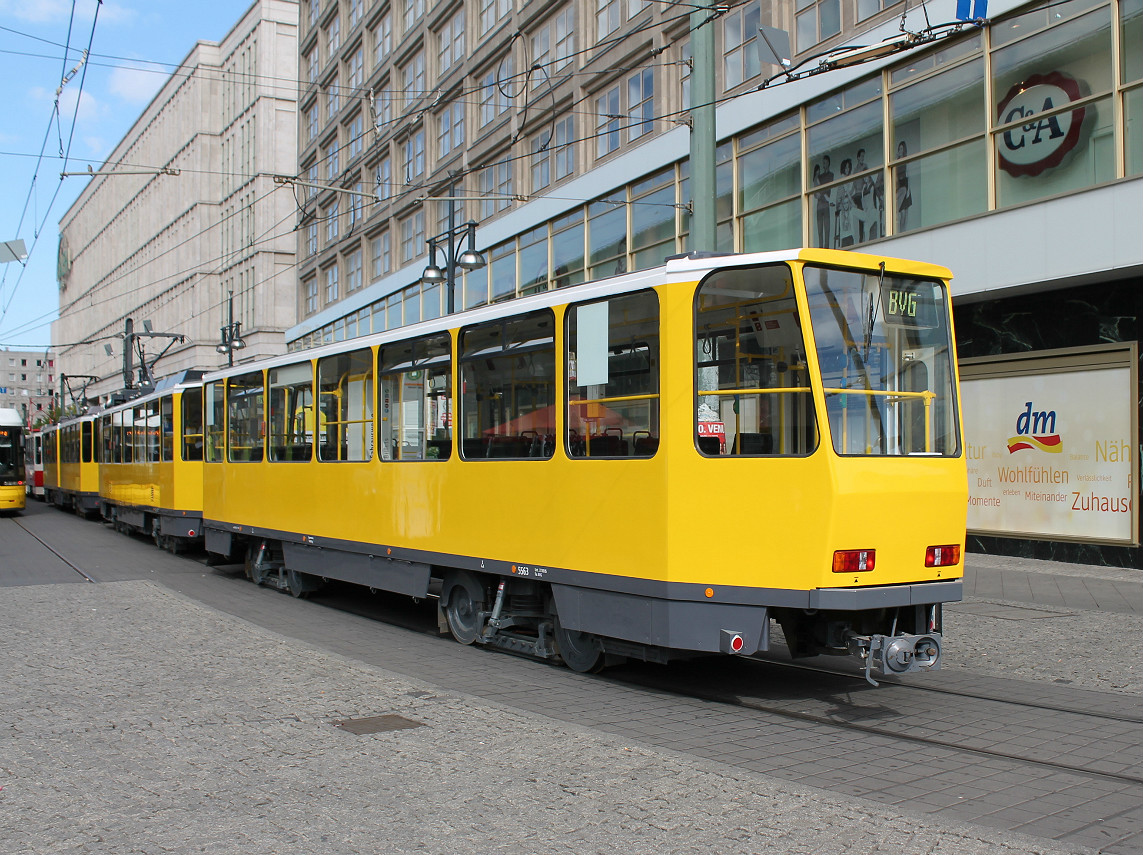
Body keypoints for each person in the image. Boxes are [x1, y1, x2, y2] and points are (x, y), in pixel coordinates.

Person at [813, 156, 834, 248]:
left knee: (827, 229)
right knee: (820, 230)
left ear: (828, 163)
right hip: (820, 205)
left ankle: (826, 248)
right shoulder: (819, 177)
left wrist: (821, 194)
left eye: (825, 162)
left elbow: (826, 188)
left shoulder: (830, 175)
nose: (824, 164)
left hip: (825, 204)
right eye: (823, 163)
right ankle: (820, 248)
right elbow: (816, 192)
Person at [836, 158, 856, 247]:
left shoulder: (850, 180)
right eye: (846, 168)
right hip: (842, 207)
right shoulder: (842, 181)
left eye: (848, 168)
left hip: (849, 205)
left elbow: (852, 192)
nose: (847, 170)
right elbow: (838, 197)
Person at [896, 141, 911, 232]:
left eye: (902, 149)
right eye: (899, 149)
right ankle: (901, 231)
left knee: (905, 211)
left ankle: (904, 231)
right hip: (899, 185)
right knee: (901, 211)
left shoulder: (906, 160)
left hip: (905, 184)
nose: (900, 150)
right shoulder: (896, 161)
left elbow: (908, 175)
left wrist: (908, 189)